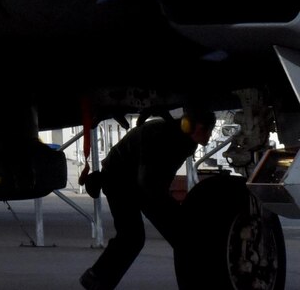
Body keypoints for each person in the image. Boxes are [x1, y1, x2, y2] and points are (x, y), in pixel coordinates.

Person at [79, 107, 216, 290]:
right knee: (132, 237)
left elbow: (159, 179)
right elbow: (148, 182)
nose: (209, 135)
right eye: (207, 129)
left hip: (142, 185)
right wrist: (171, 207)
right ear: (195, 127)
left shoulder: (186, 142)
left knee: (181, 235)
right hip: (119, 181)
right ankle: (96, 279)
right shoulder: (160, 135)